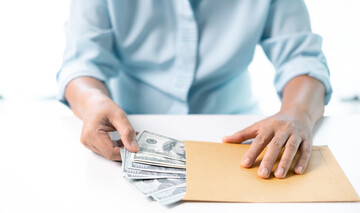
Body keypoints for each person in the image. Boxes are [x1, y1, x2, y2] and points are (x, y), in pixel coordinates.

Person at [57, 0, 332, 179]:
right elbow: (81, 63)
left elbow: (301, 58)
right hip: (129, 131)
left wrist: (298, 112)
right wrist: (93, 102)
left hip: (238, 133)